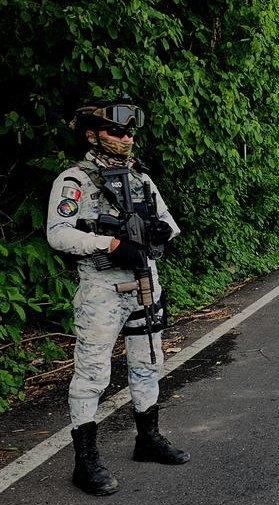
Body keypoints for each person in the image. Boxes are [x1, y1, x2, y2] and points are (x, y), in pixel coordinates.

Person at [47, 96, 189, 496]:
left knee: (148, 362)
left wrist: (161, 231)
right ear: (93, 134)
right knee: (93, 373)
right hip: (102, 288)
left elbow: (169, 223)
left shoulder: (142, 179)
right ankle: (85, 462)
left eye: (129, 132)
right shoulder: (74, 180)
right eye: (116, 131)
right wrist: (109, 244)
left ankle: (148, 439)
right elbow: (58, 233)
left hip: (145, 281)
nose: (125, 138)